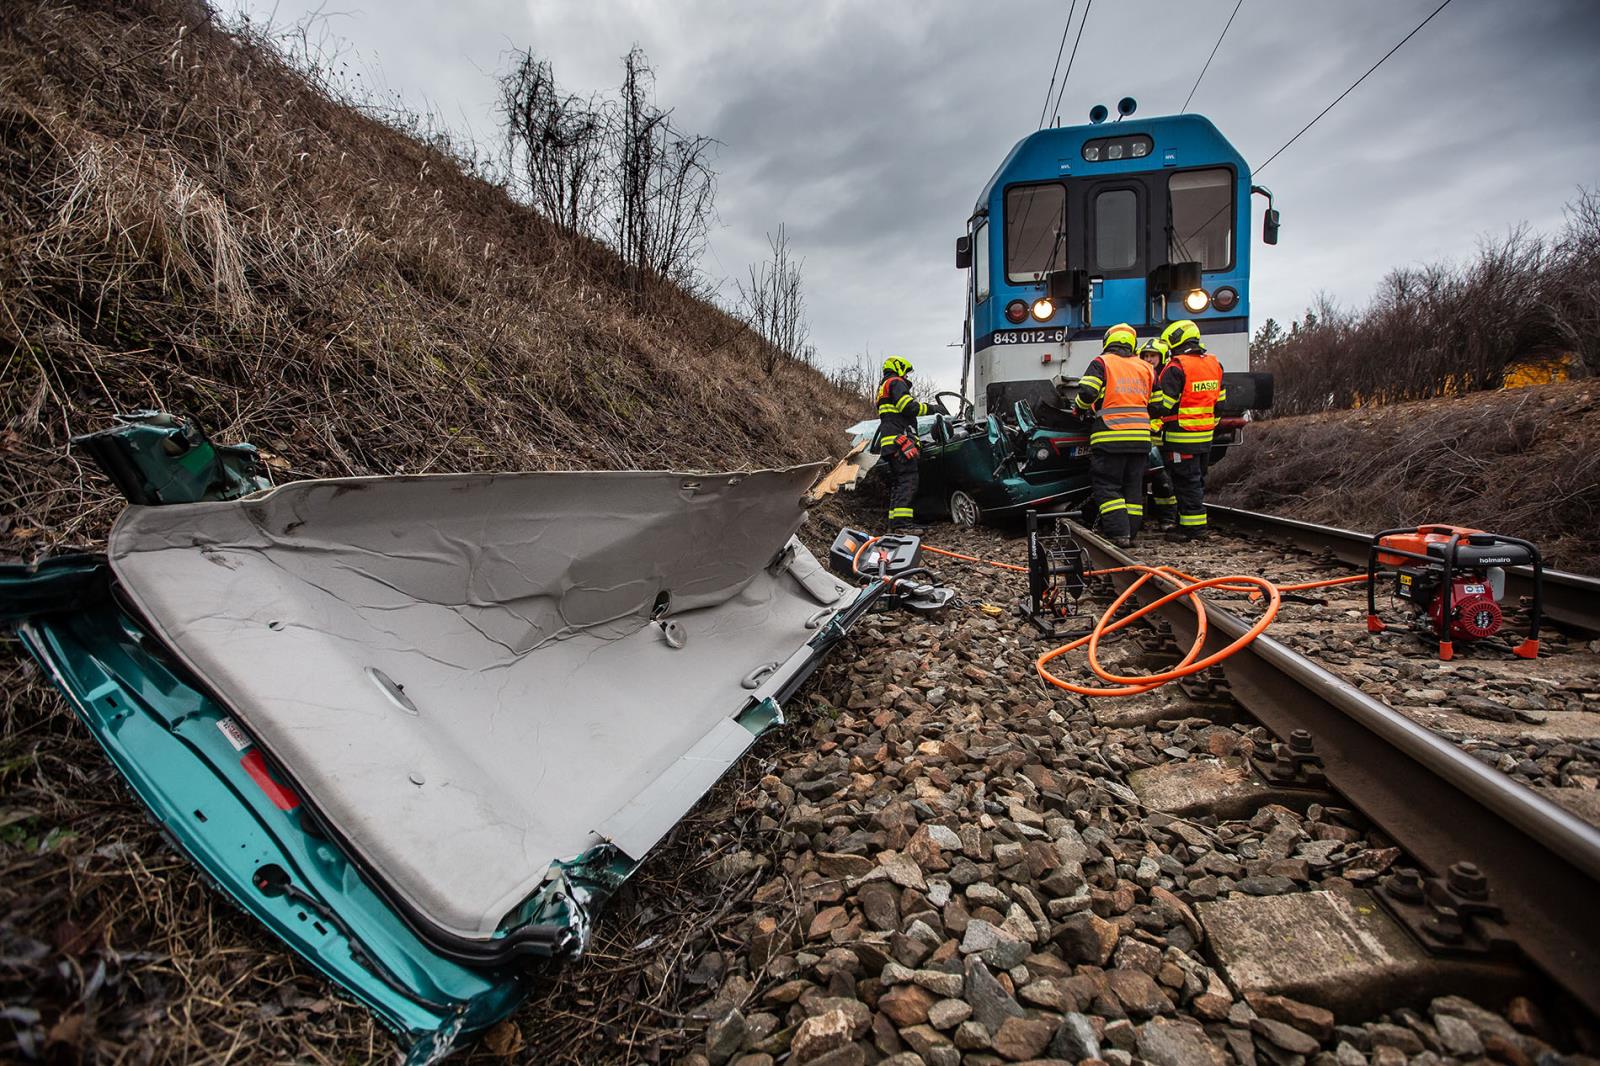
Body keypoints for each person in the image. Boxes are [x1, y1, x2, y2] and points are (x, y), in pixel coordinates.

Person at [1073, 322, 1154, 548]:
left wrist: (1079, 407)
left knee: (1108, 486)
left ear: (1108, 341)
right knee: (1133, 487)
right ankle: (1131, 532)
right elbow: (1158, 404)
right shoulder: (1145, 367)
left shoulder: (1102, 362)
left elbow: (1087, 392)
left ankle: (1119, 534)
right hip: (1140, 439)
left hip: (1110, 435)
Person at [1150, 319, 1225, 541]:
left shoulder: (1176, 367)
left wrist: (1145, 411)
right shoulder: (1214, 364)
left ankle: (1193, 529)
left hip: (1181, 436)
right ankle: (1191, 525)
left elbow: (1164, 404)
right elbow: (1220, 402)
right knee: (1197, 480)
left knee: (1185, 482)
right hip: (1205, 435)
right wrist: (1211, 424)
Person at [875, 356, 933, 531]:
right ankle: (902, 526)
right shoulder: (896, 383)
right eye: (906, 373)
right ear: (899, 369)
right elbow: (909, 408)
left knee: (899, 483)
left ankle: (896, 524)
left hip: (890, 441)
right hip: (899, 440)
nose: (907, 377)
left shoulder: (884, 386)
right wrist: (932, 409)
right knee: (908, 480)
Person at [1138, 338, 1179, 529]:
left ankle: (1167, 519)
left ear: (1162, 357)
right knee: (1137, 483)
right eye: (1145, 356)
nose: (1149, 359)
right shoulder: (1140, 376)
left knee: (1163, 483)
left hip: (1161, 441)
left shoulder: (1167, 377)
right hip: (1142, 439)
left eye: (1153, 355)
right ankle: (1140, 520)